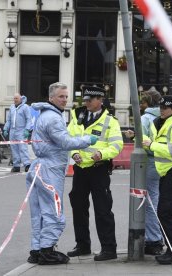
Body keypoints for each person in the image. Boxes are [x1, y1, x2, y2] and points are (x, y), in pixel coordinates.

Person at [25, 82, 98, 265]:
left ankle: (37, 249)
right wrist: (87, 139)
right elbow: (64, 142)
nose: (65, 99)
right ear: (51, 98)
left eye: (66, 96)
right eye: (61, 96)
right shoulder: (54, 118)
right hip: (50, 170)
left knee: (39, 212)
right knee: (54, 211)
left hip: (40, 168)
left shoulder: (44, 115)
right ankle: (47, 250)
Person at [66, 85, 123, 261]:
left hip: (99, 169)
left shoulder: (110, 121)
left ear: (100, 100)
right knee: (79, 207)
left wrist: (102, 154)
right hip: (81, 169)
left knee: (103, 209)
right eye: (85, 99)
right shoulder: (77, 116)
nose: (87, 102)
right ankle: (83, 245)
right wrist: (73, 153)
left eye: (90, 100)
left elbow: (117, 145)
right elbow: (69, 138)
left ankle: (108, 249)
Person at [142, 95, 172, 265]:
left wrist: (151, 145)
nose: (162, 110)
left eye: (166, 108)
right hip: (166, 174)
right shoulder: (160, 124)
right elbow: (154, 143)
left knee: (166, 213)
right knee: (169, 213)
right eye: (161, 107)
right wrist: (137, 138)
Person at [124, 87, 164, 256]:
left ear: (147, 103)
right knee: (157, 200)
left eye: (142, 101)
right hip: (164, 162)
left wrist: (134, 136)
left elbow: (144, 141)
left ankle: (154, 240)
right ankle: (157, 238)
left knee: (149, 202)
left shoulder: (146, 118)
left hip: (150, 162)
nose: (139, 104)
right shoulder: (164, 117)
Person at [3, 93, 32, 172]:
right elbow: (9, 120)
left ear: (20, 99)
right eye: (14, 98)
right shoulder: (12, 107)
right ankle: (16, 166)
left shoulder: (25, 107)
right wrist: (6, 129)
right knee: (14, 149)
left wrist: (27, 129)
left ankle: (27, 165)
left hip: (21, 130)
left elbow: (28, 119)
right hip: (13, 131)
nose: (15, 100)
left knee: (23, 148)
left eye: (16, 98)